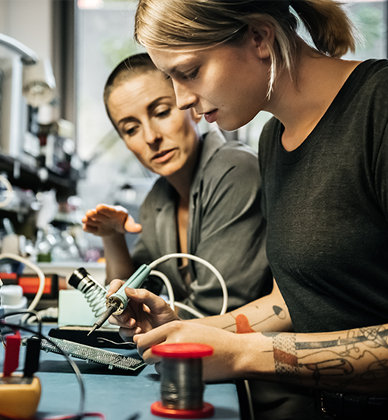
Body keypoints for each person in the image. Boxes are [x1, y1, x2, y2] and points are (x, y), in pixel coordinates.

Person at [106, 1, 388, 419]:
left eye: (189, 72)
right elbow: (288, 305)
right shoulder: (273, 140)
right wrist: (181, 329)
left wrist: (244, 354)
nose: (181, 99)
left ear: (259, 37)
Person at [82, 53, 272, 320]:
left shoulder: (236, 169)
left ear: (192, 106)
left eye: (161, 112)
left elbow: (215, 309)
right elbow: (126, 301)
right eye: (131, 129)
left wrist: (143, 315)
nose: (151, 137)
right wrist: (112, 237)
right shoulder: (157, 199)